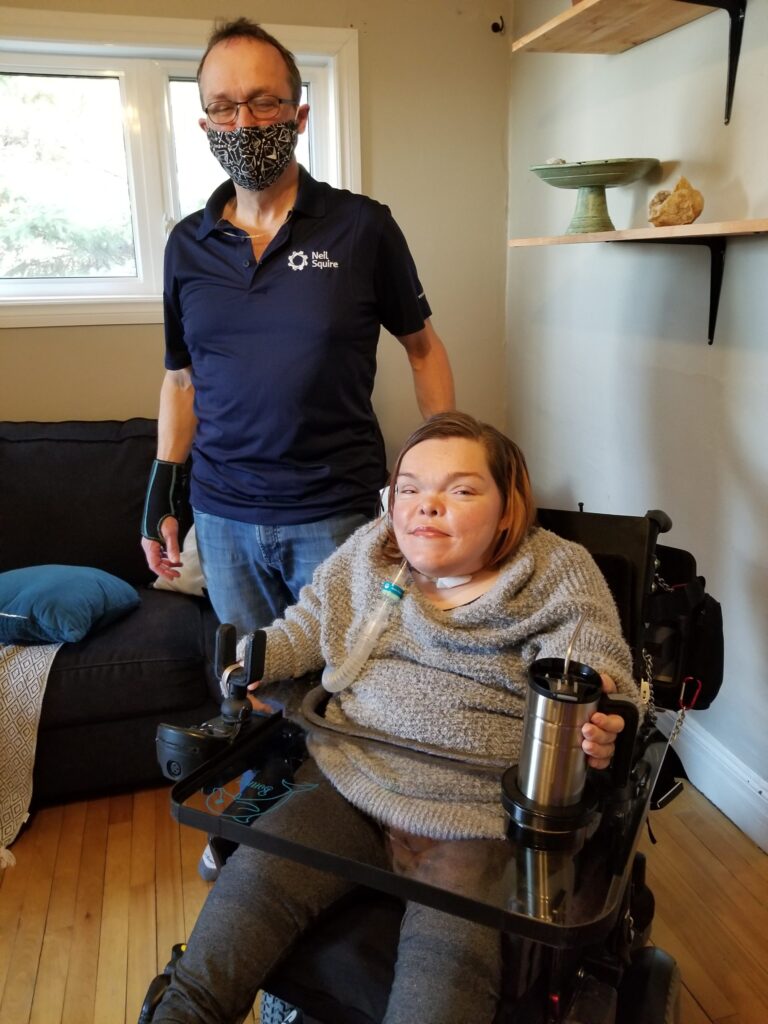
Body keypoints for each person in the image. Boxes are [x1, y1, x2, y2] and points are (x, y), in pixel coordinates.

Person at [151, 412, 640, 1024]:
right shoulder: (372, 553)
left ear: (508, 508)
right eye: (409, 488)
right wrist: (262, 655)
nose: (425, 506)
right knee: (253, 881)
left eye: (459, 490)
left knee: (447, 963)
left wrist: (600, 709)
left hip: (477, 814)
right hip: (353, 778)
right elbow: (311, 625)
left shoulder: (552, 570)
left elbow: (590, 658)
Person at [140, 16, 455, 639]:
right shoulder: (187, 245)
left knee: (347, 686)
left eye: (263, 102)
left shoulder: (363, 227)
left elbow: (423, 350)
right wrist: (162, 492)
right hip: (223, 516)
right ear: (205, 124)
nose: (244, 124)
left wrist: (437, 469)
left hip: (334, 514)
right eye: (224, 108)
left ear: (299, 114)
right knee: (253, 688)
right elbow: (181, 380)